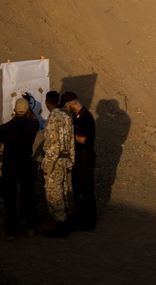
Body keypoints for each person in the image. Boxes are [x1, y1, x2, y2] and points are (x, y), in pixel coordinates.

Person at [0, 97, 40, 240]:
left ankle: (10, 230)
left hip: (10, 165)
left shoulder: (4, 128)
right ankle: (30, 227)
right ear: (27, 110)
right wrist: (29, 106)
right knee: (28, 195)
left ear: (14, 110)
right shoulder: (33, 125)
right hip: (26, 164)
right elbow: (33, 117)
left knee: (9, 198)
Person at [61, 91, 97, 231]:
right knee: (78, 187)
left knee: (85, 189)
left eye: (66, 106)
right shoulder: (78, 116)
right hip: (80, 156)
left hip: (85, 157)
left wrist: (68, 134)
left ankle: (89, 222)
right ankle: (83, 217)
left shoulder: (85, 117)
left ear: (71, 104)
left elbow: (83, 139)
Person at [41, 91, 75, 238]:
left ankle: (61, 225)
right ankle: (68, 219)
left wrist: (47, 167)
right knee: (64, 189)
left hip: (55, 161)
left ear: (47, 102)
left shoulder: (52, 119)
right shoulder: (67, 116)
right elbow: (72, 140)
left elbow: (53, 147)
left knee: (53, 193)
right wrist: (71, 160)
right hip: (66, 159)